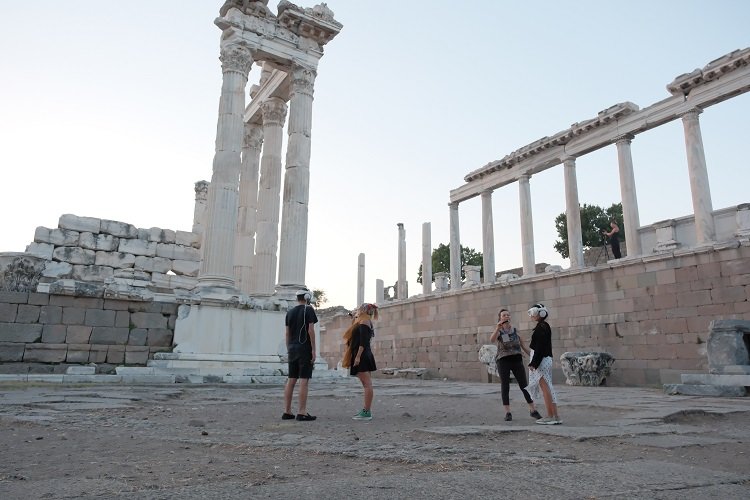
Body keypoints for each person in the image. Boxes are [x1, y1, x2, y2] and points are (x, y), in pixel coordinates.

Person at [490, 308, 542, 422]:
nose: (506, 317)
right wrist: (497, 328)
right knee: (505, 385)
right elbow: (492, 340)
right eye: (504, 315)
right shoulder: (498, 331)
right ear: (500, 318)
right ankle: (507, 412)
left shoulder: (515, 330)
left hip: (516, 359)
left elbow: (523, 346)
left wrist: (535, 357)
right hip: (503, 360)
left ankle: (533, 410)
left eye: (508, 315)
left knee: (524, 385)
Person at [282, 289, 318, 422]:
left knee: (291, 379)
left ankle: (287, 411)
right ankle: (302, 412)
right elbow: (310, 330)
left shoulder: (289, 312)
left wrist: (288, 348)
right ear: (307, 297)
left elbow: (287, 333)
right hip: (304, 348)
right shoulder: (308, 310)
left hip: (292, 348)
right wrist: (313, 350)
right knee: (304, 379)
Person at [526, 303, 562, 425]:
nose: (531, 315)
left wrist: (533, 363)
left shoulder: (541, 327)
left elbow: (539, 347)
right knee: (548, 387)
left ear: (539, 313)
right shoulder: (543, 326)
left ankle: (550, 415)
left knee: (545, 387)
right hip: (544, 359)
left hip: (542, 361)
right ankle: (555, 415)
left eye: (533, 312)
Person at [342, 303, 379, 421]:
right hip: (360, 354)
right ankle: (366, 410)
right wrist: (354, 318)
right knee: (366, 384)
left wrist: (357, 357)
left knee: (367, 384)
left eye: (358, 309)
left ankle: (367, 411)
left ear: (363, 310)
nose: (357, 310)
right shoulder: (362, 321)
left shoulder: (364, 322)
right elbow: (354, 332)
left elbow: (363, 342)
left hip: (361, 355)